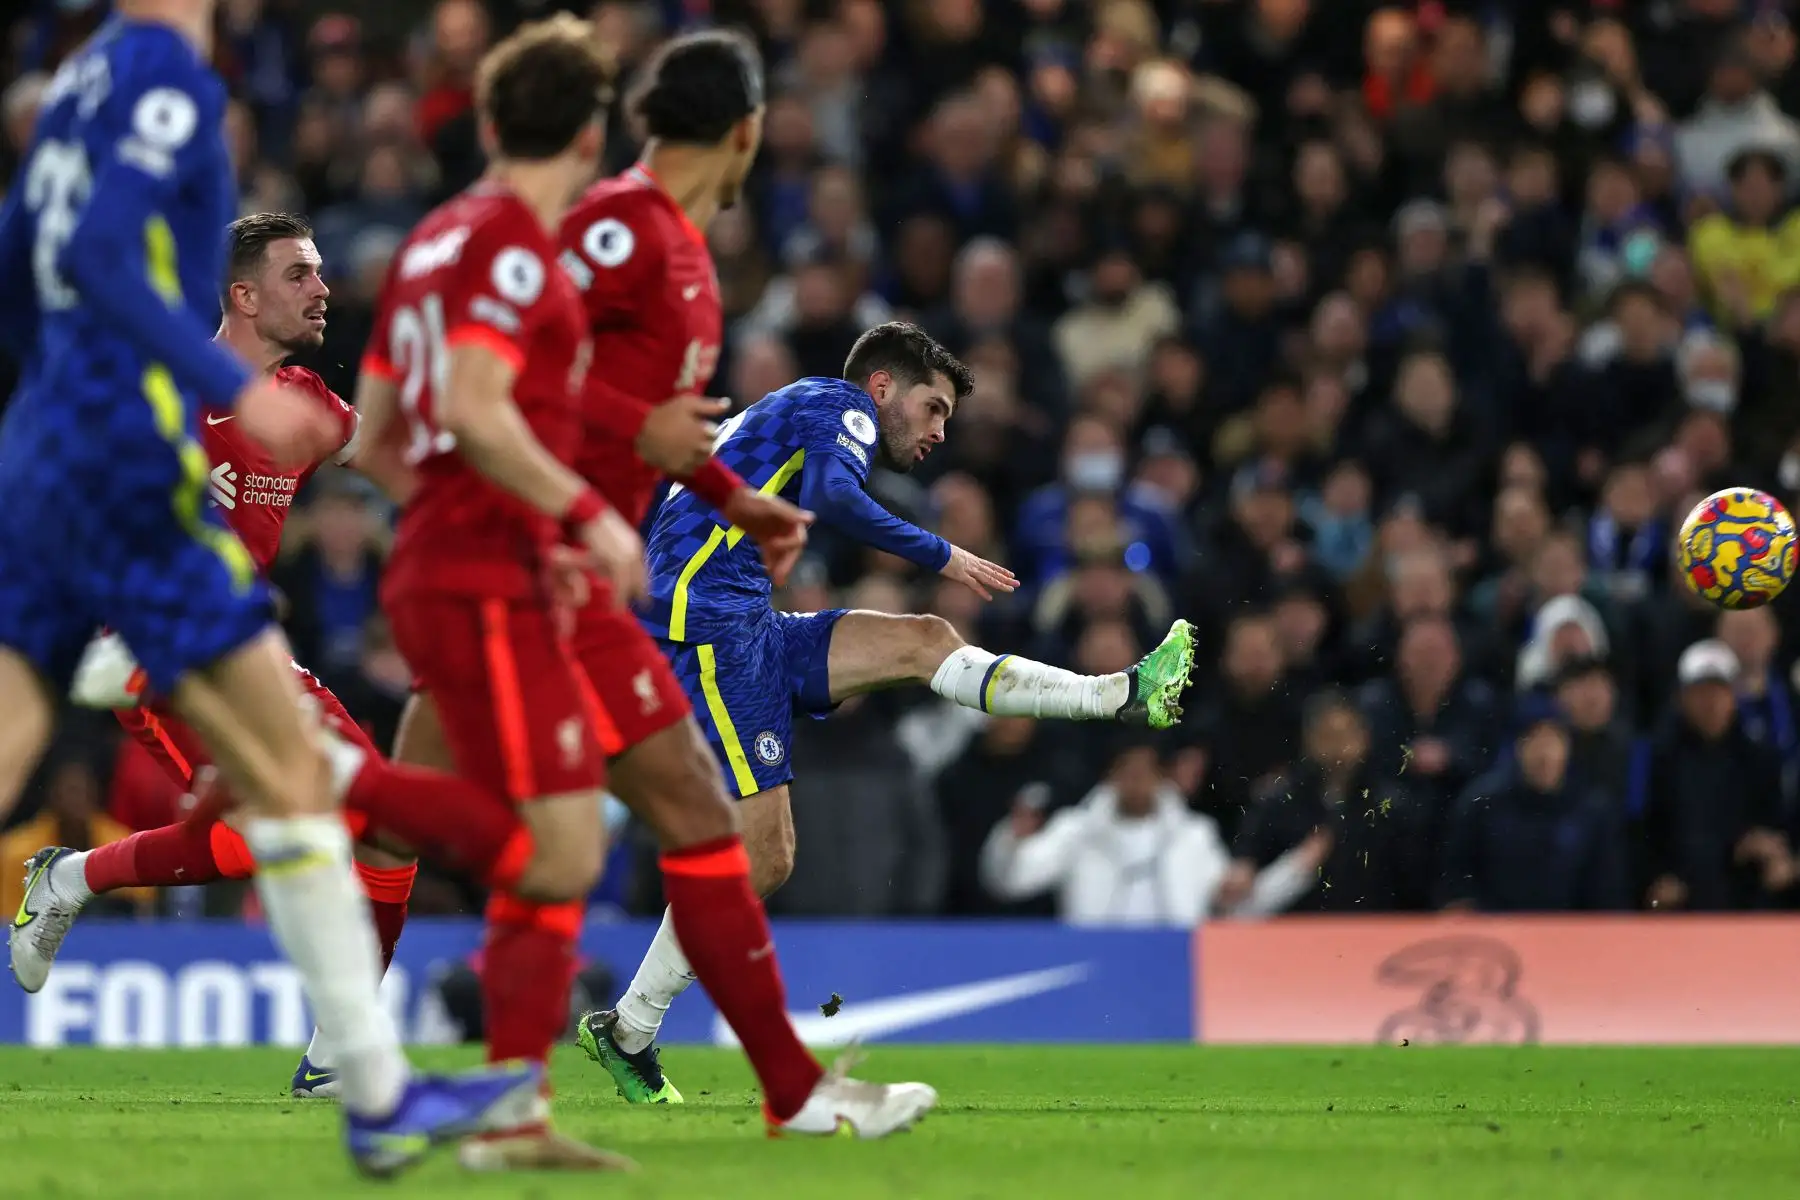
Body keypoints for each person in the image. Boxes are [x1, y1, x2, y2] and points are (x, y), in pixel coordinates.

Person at [0, 0, 536, 1177]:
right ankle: (361, 1071)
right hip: (152, 597)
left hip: (145, 571)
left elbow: (397, 447)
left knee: (332, 820)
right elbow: (93, 267)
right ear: (239, 295)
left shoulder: (83, 89)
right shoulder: (162, 87)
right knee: (321, 806)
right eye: (297, 274)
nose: (321, 288)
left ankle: (329, 1050)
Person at [380, 30, 938, 1142]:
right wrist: (608, 469)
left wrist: (739, 497)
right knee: (487, 825)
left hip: (579, 577)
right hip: (509, 556)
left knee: (693, 820)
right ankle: (285, 798)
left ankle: (782, 1092)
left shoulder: (681, 254)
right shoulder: (614, 231)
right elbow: (501, 380)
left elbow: (632, 420)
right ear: (745, 132)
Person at [587, 318, 1196, 1103]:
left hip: (746, 620)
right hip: (707, 627)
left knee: (922, 640)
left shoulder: (799, 412)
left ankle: (1118, 694)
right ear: (882, 389)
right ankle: (631, 1027)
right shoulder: (838, 404)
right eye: (934, 408)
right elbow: (836, 497)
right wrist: (946, 553)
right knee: (765, 857)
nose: (940, 430)